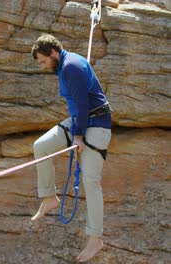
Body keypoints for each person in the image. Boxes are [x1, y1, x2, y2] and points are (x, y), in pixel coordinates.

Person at [30, 34, 112, 262]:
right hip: (79, 121)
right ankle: (49, 197)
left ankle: (96, 238)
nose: (42, 66)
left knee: (90, 181)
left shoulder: (71, 67)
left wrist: (78, 137)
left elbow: (85, 104)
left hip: (96, 125)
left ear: (52, 52)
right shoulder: (64, 67)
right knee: (41, 146)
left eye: (42, 61)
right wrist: (76, 131)